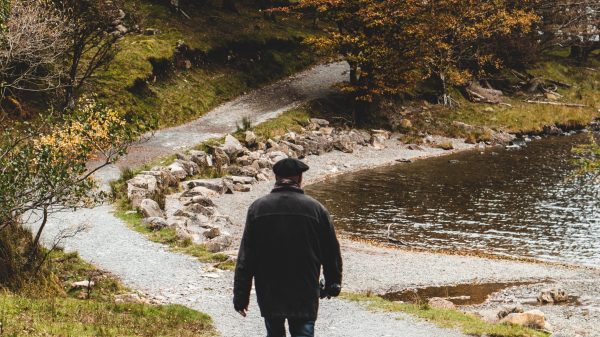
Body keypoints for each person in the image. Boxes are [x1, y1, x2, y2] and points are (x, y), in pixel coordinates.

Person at [233, 158, 343, 337]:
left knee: (274, 333)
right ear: (299, 178)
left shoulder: (258, 209)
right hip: (305, 290)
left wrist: (241, 296)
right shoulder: (316, 209)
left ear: (276, 177)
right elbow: (331, 252)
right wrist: (333, 283)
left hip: (270, 290)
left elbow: (246, 257)